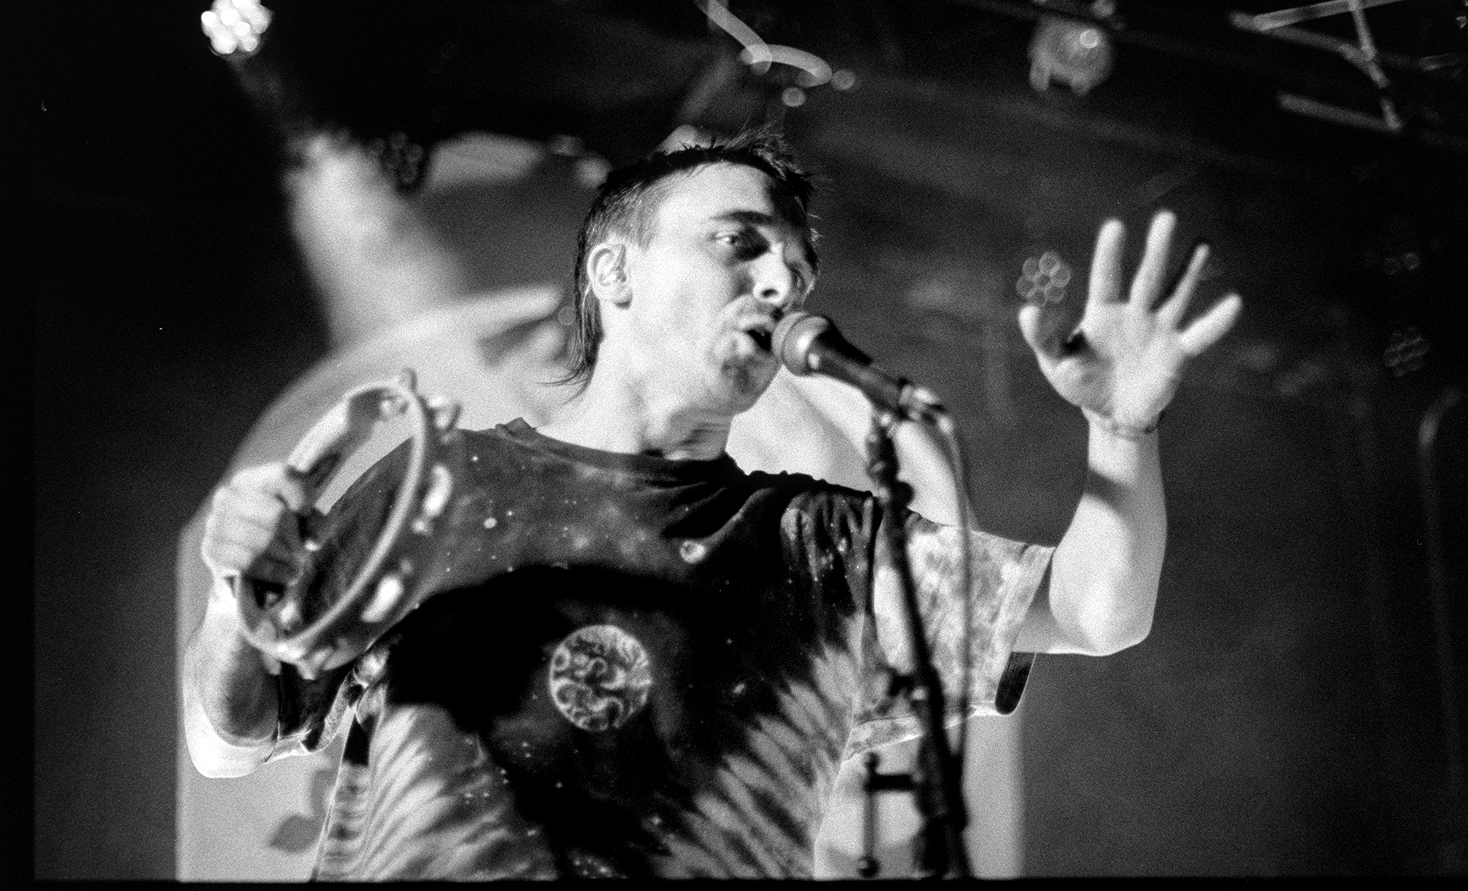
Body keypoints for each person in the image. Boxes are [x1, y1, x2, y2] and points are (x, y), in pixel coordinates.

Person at [183, 129, 1241, 879]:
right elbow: (230, 738)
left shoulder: (819, 544)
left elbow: (1100, 610)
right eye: (738, 243)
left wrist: (1120, 429)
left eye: (796, 260)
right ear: (615, 272)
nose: (782, 279)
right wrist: (241, 598)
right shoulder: (439, 481)